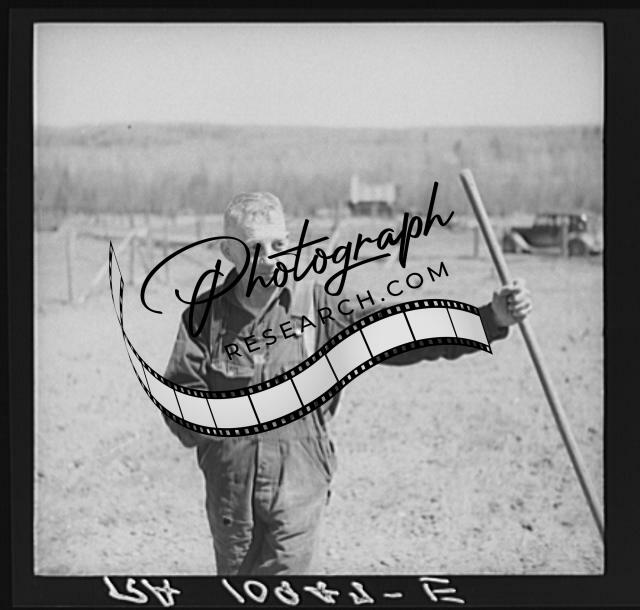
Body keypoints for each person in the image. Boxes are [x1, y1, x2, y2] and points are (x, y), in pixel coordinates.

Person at [162, 191, 533, 575]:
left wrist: (489, 319)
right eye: (255, 247)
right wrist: (217, 437)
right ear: (228, 251)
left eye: (278, 245)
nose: (270, 258)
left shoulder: (319, 306)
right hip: (231, 490)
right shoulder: (203, 316)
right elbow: (181, 393)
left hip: (298, 482)